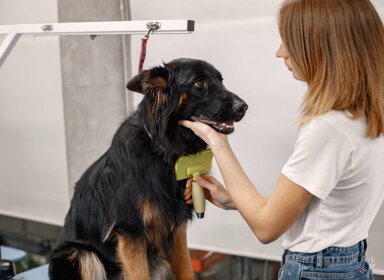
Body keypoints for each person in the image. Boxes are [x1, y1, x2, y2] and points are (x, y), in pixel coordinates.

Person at [180, 0, 384, 279]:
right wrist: (233, 200)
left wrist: (217, 141)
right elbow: (321, 210)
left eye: (289, 41)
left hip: (317, 271)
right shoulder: (365, 116)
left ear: (321, 46)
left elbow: (266, 228)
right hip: (351, 265)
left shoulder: (328, 129)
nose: (280, 52)